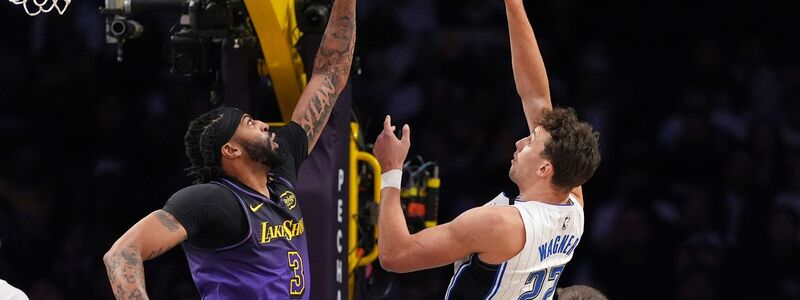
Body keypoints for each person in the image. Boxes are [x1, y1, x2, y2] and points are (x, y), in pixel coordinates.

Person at [102, 0, 357, 297]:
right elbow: (121, 253)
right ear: (231, 150)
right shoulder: (215, 200)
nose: (264, 124)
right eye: (250, 123)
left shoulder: (280, 172)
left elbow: (330, 72)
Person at [372, 0, 601, 299]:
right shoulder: (573, 207)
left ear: (545, 169)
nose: (520, 142)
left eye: (531, 143)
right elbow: (535, 96)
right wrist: (514, 5)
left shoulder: (499, 225)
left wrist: (390, 170)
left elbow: (396, 255)